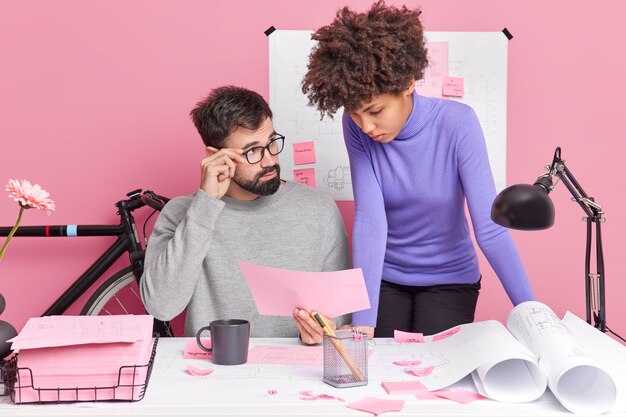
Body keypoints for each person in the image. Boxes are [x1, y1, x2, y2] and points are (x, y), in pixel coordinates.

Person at [301, 1, 535, 338]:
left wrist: (534, 317)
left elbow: (490, 227)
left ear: (408, 82)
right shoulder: (356, 128)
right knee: (377, 366)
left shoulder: (458, 124)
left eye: (375, 110)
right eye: (355, 114)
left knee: (436, 371)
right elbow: (370, 218)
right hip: (385, 276)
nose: (365, 126)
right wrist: (363, 320)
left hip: (451, 279)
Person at [140, 86, 350, 344]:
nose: (269, 161)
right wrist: (206, 205)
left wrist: (326, 326)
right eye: (252, 151)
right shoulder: (181, 213)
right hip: (214, 370)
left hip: (298, 371)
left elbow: (341, 313)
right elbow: (162, 306)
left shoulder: (319, 209)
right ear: (215, 156)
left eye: (272, 143)